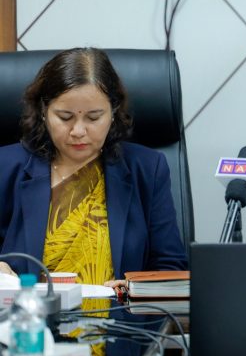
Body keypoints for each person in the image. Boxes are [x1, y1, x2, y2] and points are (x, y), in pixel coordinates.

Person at [0, 48, 187, 287]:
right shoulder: (5, 167)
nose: (78, 131)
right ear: (44, 111)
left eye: (94, 117)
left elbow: (171, 269)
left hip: (122, 311)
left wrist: (134, 289)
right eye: (65, 117)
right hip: (29, 310)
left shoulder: (147, 169)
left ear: (113, 112)